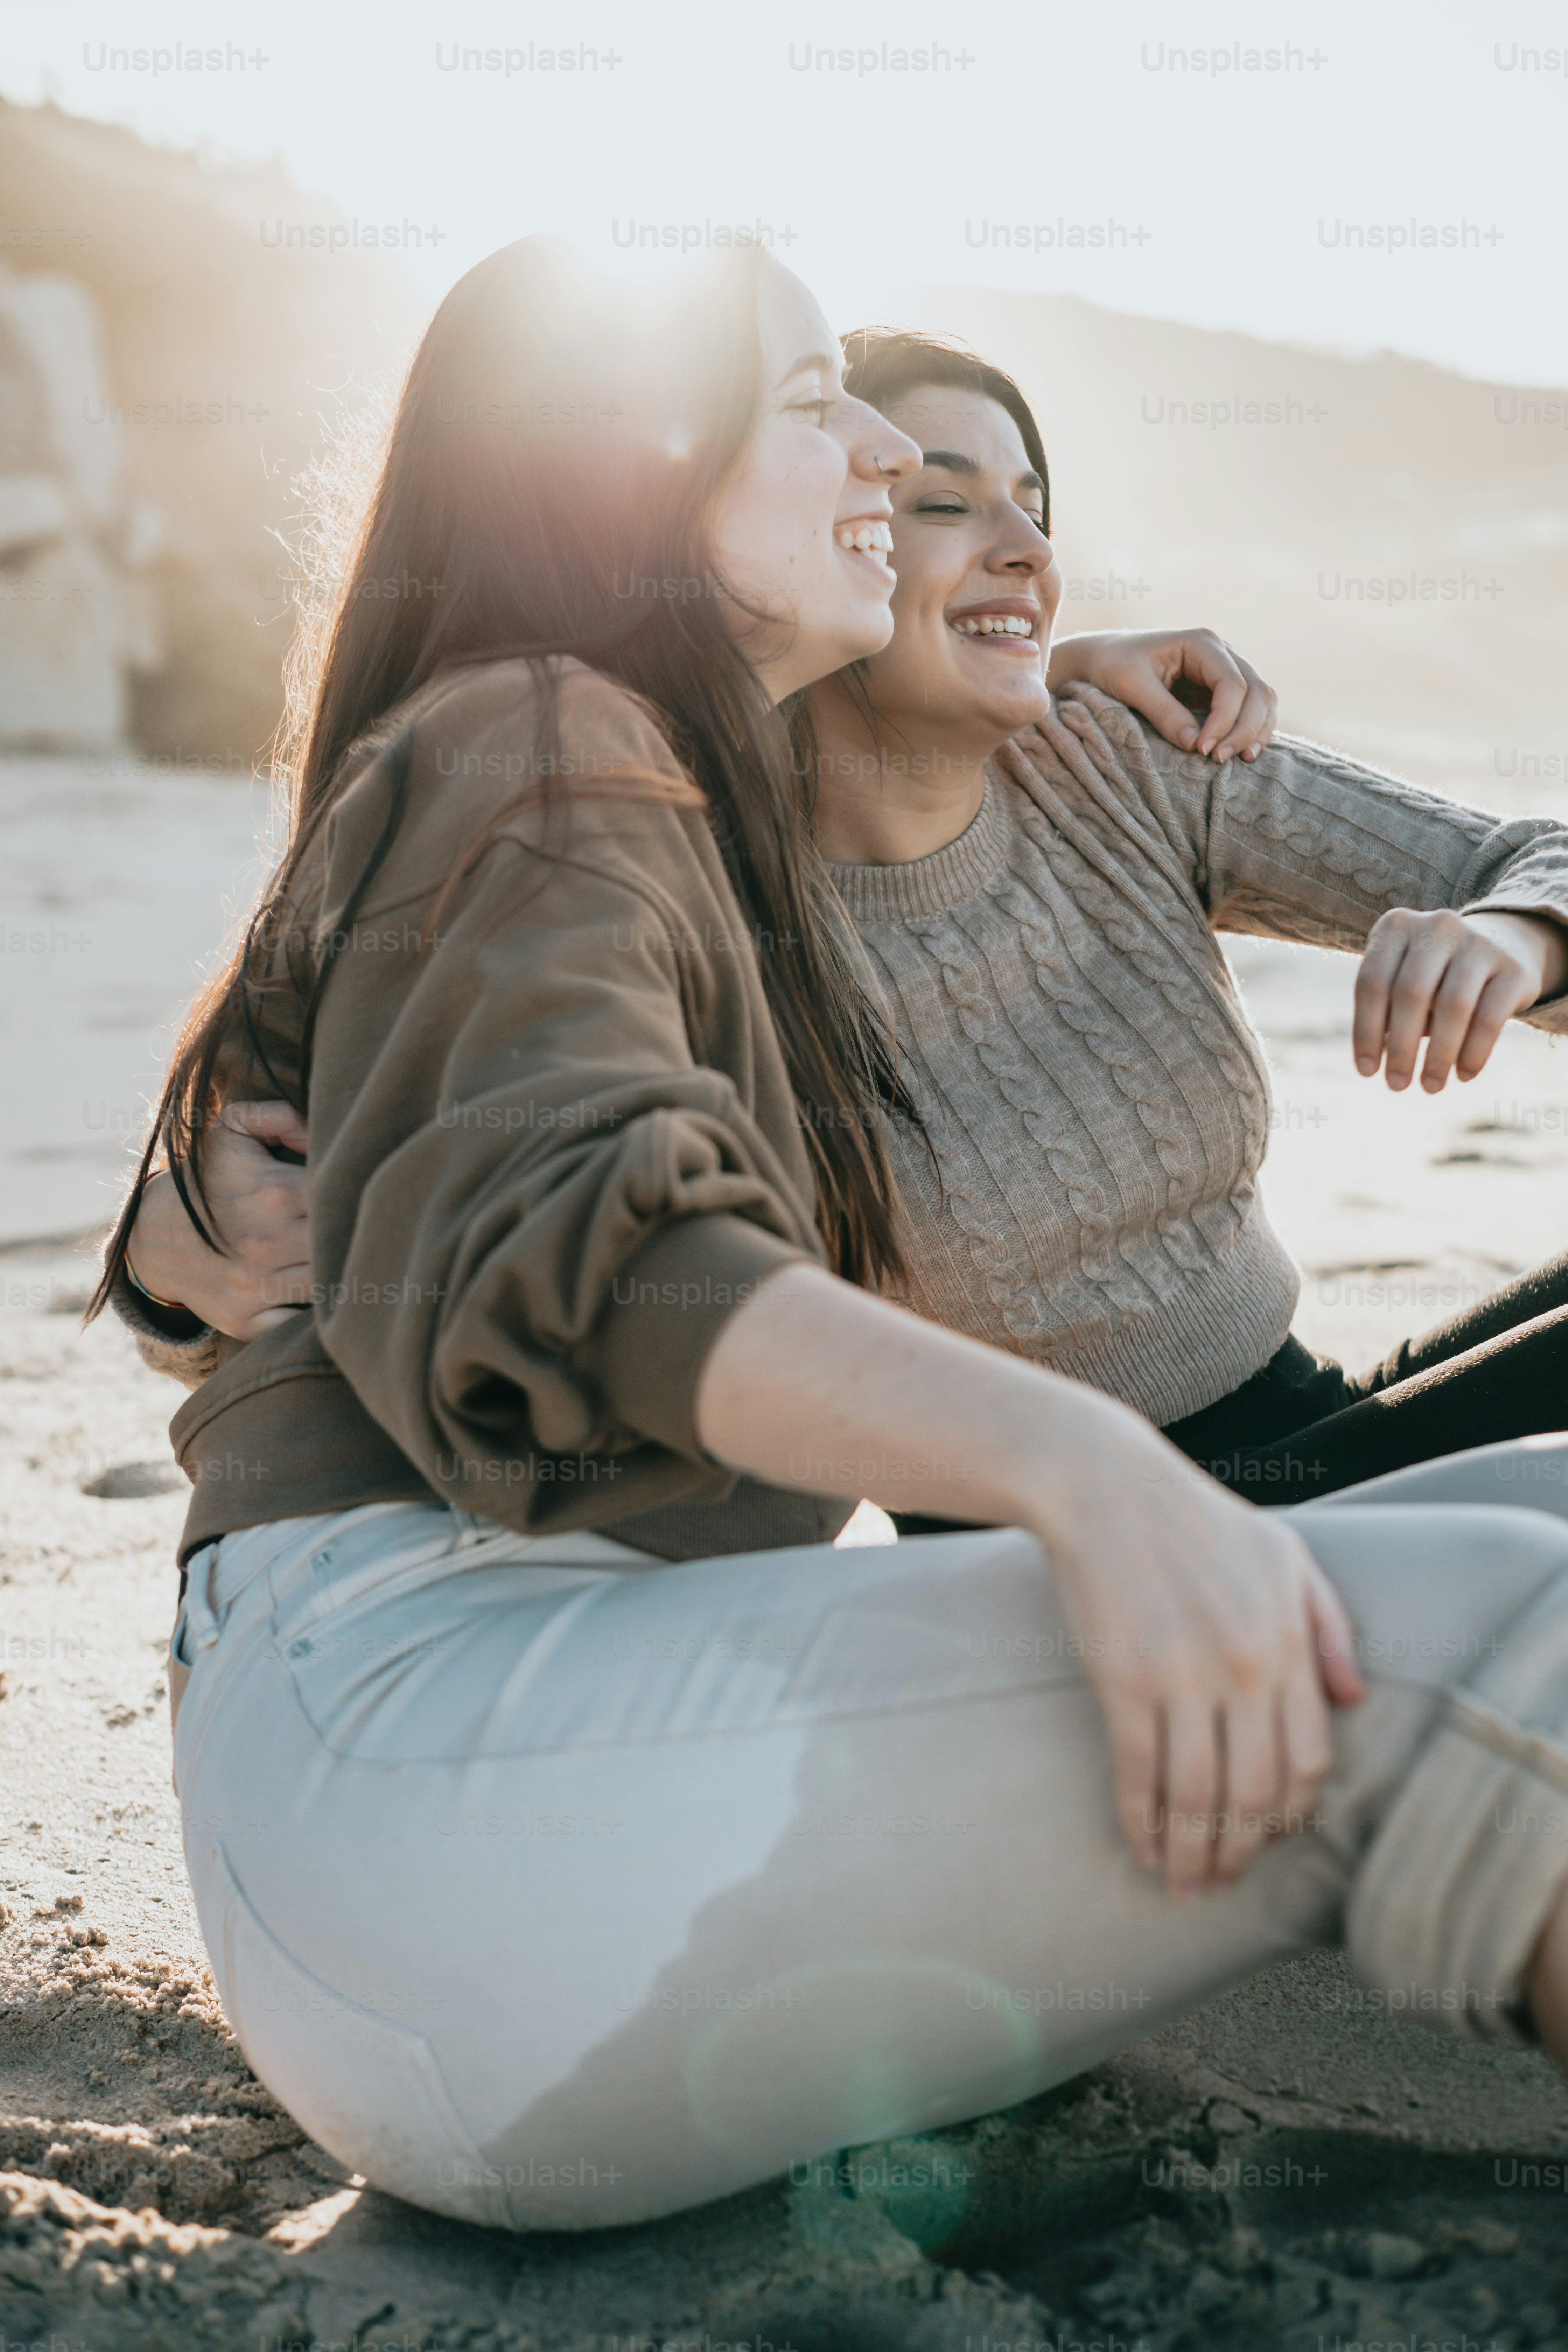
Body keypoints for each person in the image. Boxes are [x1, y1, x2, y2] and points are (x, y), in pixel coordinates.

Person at [87, 239, 1568, 2233]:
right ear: (633, 468)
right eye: (819, 410)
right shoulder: (541, 742)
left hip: (526, 1787)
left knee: (1543, 1536)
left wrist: (1052, 651)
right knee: (1520, 1644)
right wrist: (1092, 1475)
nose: (881, 452)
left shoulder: (676, 807)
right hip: (430, 1763)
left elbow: (454, 1110)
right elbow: (599, 1239)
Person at [122, 332, 1568, 1507]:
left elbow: (1534, 850)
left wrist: (1516, 937)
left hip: (1313, 1451)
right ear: (848, 550)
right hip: (1058, 1564)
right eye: (942, 502)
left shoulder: (1123, 758)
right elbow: (309, 1136)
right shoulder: (674, 872)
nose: (1020, 546)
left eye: (1034, 508)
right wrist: (175, 1245)